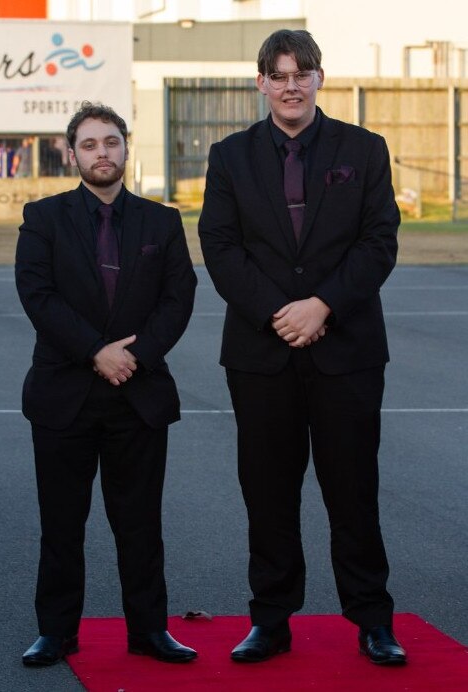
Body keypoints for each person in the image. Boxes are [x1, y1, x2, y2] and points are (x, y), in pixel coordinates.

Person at [198, 29, 406, 666]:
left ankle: (373, 620)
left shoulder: (364, 149)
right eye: (279, 74)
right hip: (262, 356)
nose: (291, 85)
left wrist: (323, 306)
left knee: (353, 491)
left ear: (319, 77)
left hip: (346, 351)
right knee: (268, 493)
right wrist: (276, 313)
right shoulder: (229, 156)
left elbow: (379, 241)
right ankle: (271, 619)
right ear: (260, 82)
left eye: (302, 73)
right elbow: (220, 248)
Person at [16, 101, 198, 666]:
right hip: (64, 397)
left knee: (140, 524)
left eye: (111, 142)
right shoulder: (42, 219)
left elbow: (178, 298)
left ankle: (149, 631)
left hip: (137, 396)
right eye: (90, 144)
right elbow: (38, 296)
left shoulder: (161, 222)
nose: (102, 153)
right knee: (62, 525)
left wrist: (133, 357)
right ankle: (56, 632)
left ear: (126, 147)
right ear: (72, 154)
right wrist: (96, 351)